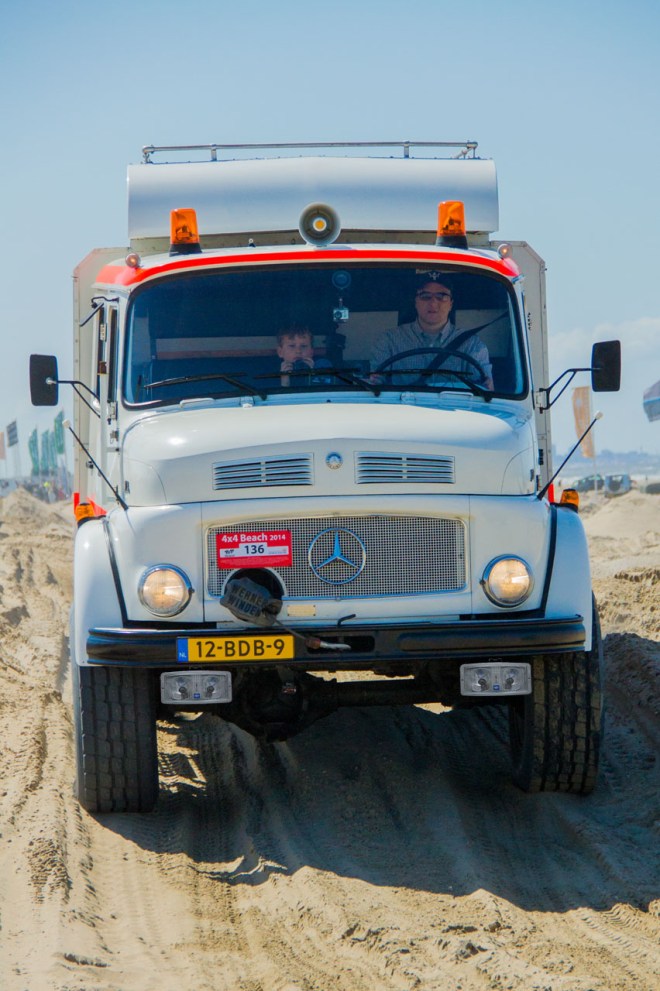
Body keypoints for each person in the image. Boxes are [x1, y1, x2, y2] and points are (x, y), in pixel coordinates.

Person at [370, 274, 494, 390]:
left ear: (451, 304)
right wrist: (373, 382)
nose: (433, 303)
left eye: (441, 297)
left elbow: (484, 390)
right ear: (415, 302)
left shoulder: (471, 344)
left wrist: (487, 385)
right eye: (425, 296)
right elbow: (376, 386)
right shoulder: (389, 340)